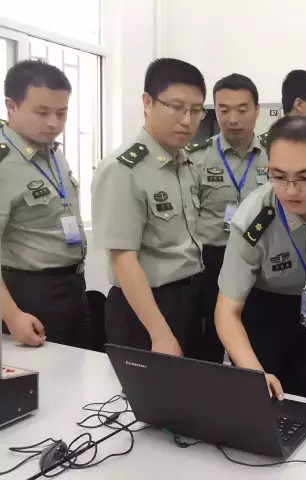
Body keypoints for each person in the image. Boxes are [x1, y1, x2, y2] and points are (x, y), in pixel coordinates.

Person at [215, 116, 306, 400]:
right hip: (265, 310)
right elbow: (226, 312)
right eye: (279, 176)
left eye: (305, 177)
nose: (291, 190)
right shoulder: (252, 221)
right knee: (264, 399)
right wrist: (255, 373)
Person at [92, 58, 207, 357]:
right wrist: (160, 334)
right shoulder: (123, 169)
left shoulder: (185, 162)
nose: (187, 120)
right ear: (147, 102)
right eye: (176, 107)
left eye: (196, 110)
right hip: (146, 310)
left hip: (188, 299)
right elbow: (123, 259)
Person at [0, 60, 89, 348]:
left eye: (61, 113)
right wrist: (11, 314)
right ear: (12, 106)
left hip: (73, 285)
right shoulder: (4, 164)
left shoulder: (52, 152)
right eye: (42, 112)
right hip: (28, 294)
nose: (54, 123)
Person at [186, 74, 267, 363]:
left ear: (257, 110)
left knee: (253, 345)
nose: (232, 119)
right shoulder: (196, 158)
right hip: (210, 263)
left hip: (258, 263)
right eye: (223, 110)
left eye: (242, 110)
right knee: (206, 346)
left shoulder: (273, 155)